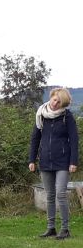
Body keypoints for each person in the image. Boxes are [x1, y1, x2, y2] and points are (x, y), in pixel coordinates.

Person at [29, 88, 79, 239]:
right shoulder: (41, 115)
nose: (55, 103)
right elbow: (35, 138)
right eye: (54, 99)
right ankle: (51, 228)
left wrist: (73, 161)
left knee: (61, 194)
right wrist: (31, 160)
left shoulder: (67, 116)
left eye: (59, 102)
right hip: (45, 160)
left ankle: (65, 229)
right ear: (51, 97)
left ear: (63, 104)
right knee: (50, 195)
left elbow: (74, 140)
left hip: (63, 161)